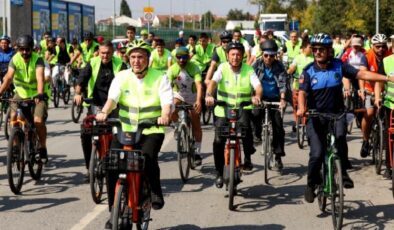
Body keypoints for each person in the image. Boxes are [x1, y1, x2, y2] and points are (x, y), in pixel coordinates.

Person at [297, 33, 394, 203]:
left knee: (341, 138)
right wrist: (301, 108)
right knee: (317, 154)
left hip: (337, 114)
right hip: (315, 116)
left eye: (322, 50)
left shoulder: (338, 66)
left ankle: (343, 172)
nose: (318, 52)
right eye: (315, 50)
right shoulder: (308, 71)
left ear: (329, 51)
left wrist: (387, 78)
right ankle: (311, 184)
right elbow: (302, 93)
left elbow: (363, 75)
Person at [95, 40, 172, 229]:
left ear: (147, 58)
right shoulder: (121, 76)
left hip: (151, 129)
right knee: (111, 164)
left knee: (147, 158)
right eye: (133, 57)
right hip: (125, 130)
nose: (137, 61)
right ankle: (114, 209)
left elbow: (167, 101)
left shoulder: (160, 77)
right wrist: (105, 112)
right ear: (128, 59)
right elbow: (112, 99)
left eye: (141, 57)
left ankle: (154, 191)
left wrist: (164, 115)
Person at [205, 42, 262, 188]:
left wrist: (257, 96)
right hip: (222, 109)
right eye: (232, 54)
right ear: (228, 56)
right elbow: (213, 82)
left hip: (243, 108)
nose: (235, 57)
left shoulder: (248, 69)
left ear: (242, 56)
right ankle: (219, 172)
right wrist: (209, 95)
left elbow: (257, 86)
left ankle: (248, 157)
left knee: (246, 131)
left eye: (238, 54)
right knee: (218, 141)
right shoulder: (222, 68)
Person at [74, 41, 127, 180]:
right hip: (96, 104)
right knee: (86, 133)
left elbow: (127, 81)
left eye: (108, 53)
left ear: (113, 52)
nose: (105, 56)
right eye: (103, 53)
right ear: (99, 52)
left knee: (116, 136)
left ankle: (115, 166)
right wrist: (78, 93)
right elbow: (81, 79)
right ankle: (89, 168)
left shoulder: (120, 64)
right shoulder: (93, 62)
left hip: (115, 106)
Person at [0, 35, 49, 163]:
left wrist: (39, 94)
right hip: (20, 94)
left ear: (32, 49)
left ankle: (43, 147)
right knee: (13, 119)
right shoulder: (15, 59)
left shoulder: (38, 60)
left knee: (38, 121)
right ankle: (16, 146)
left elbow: (39, 77)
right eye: (22, 49)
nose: (25, 52)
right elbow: (9, 78)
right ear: (18, 49)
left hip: (36, 95)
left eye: (28, 49)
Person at [252, 40, 287, 168]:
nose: (268, 58)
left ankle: (278, 156)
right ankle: (257, 134)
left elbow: (283, 84)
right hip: (260, 97)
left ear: (275, 56)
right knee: (255, 113)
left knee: (278, 126)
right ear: (262, 54)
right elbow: (251, 80)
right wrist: (254, 96)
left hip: (276, 98)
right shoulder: (257, 65)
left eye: (272, 56)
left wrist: (282, 100)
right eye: (266, 55)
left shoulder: (279, 66)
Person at [168, 46, 203, 165]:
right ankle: (177, 125)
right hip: (179, 95)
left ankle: (197, 152)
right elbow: (167, 86)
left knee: (196, 123)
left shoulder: (194, 67)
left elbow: (199, 85)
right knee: (172, 108)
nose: (181, 60)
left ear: (188, 57)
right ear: (175, 58)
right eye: (179, 57)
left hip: (192, 97)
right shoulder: (172, 69)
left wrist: (198, 100)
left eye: (184, 57)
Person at [359, 34, 391, 158]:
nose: (381, 49)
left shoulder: (389, 56)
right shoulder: (366, 56)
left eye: (383, 46)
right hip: (369, 90)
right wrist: (362, 89)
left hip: (385, 90)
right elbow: (361, 74)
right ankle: (366, 140)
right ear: (372, 46)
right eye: (378, 47)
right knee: (370, 113)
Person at [287, 38, 314, 131]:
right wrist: (288, 71)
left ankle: (306, 122)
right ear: (304, 48)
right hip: (297, 85)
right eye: (310, 47)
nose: (311, 49)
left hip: (310, 86)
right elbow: (292, 68)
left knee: (307, 105)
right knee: (295, 104)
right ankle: (297, 121)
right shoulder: (298, 58)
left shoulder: (314, 58)